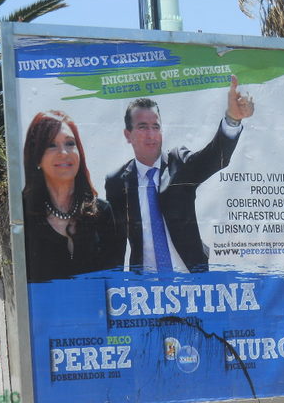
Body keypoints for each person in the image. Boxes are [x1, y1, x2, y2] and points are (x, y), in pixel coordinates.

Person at [105, 75, 255, 272]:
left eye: (155, 127)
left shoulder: (179, 163)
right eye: (142, 127)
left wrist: (233, 120)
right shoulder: (117, 181)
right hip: (144, 288)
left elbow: (214, 158)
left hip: (191, 280)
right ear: (128, 135)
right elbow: (115, 244)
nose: (151, 134)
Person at [22, 110, 117, 282]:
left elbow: (112, 283)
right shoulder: (22, 214)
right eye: (51, 145)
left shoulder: (102, 212)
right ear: (36, 157)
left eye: (70, 143)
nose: (63, 153)